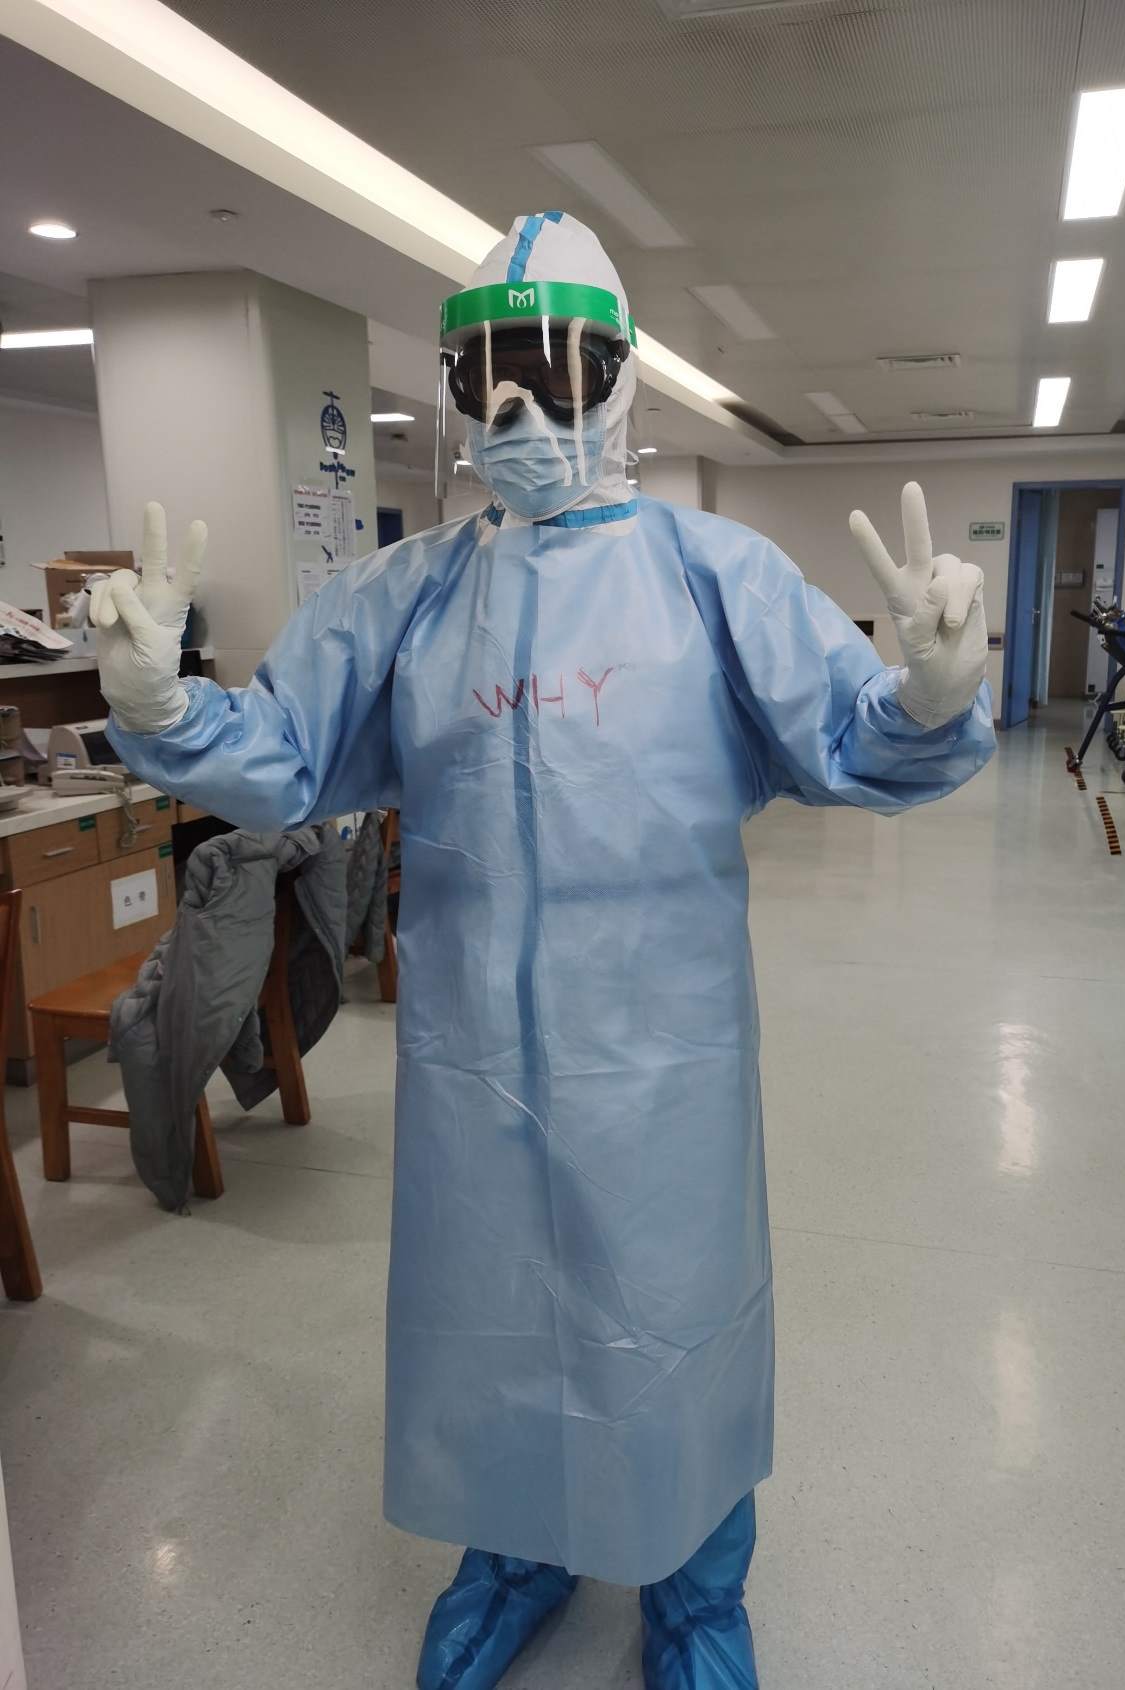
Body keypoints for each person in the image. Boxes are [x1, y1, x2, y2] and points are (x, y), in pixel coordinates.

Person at [93, 212, 995, 1690]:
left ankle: (694, 1590)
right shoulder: (408, 594)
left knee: (676, 1315)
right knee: (496, 1315)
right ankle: (517, 1549)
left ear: (619, 376)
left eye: (553, 367)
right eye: (487, 372)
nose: (515, 406)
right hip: (475, 1065)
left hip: (665, 1063)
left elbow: (853, 741)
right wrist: (163, 705)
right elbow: (285, 752)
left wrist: (934, 696)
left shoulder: (712, 576)